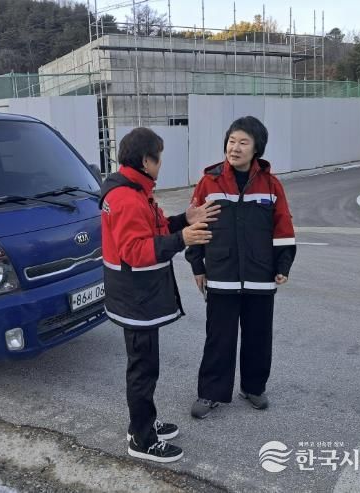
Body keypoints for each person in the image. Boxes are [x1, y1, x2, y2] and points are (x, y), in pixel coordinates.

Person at [99, 127, 219, 462]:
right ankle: (142, 440)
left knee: (144, 366)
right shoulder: (126, 198)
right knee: (143, 369)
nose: (161, 163)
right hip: (135, 300)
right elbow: (135, 251)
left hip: (136, 297)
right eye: (159, 157)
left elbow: (153, 228)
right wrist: (183, 239)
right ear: (145, 160)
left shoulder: (135, 190)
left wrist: (183, 220)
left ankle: (142, 423)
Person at [186, 116, 296, 419]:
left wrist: (283, 264)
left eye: (243, 142)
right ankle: (211, 393)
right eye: (231, 141)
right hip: (221, 276)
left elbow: (283, 227)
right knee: (218, 338)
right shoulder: (209, 183)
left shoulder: (271, 185)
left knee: (258, 337)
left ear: (256, 148)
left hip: (260, 276)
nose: (235, 148)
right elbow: (196, 227)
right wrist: (197, 265)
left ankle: (253, 387)